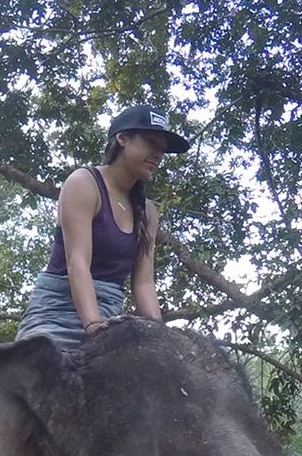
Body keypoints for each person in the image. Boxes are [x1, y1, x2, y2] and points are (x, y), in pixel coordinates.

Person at [17, 104, 191, 347]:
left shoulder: (148, 212)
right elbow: (77, 263)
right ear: (122, 139)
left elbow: (143, 282)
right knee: (46, 365)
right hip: (57, 314)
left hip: (110, 317)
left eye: (162, 150)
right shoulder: (84, 183)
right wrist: (93, 326)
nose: (157, 154)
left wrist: (161, 337)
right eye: (151, 142)